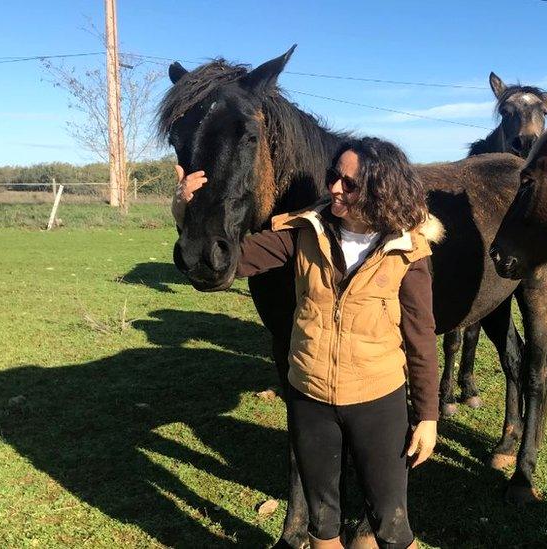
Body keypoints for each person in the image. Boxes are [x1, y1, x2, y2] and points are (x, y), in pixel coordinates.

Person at [173, 137, 439, 549]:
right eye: (334, 177)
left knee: (390, 522)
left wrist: (427, 415)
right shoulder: (303, 232)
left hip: (378, 400)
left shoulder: (408, 250)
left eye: (348, 183)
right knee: (322, 519)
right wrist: (187, 213)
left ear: (380, 187)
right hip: (309, 399)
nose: (334, 187)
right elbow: (227, 260)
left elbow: (420, 336)